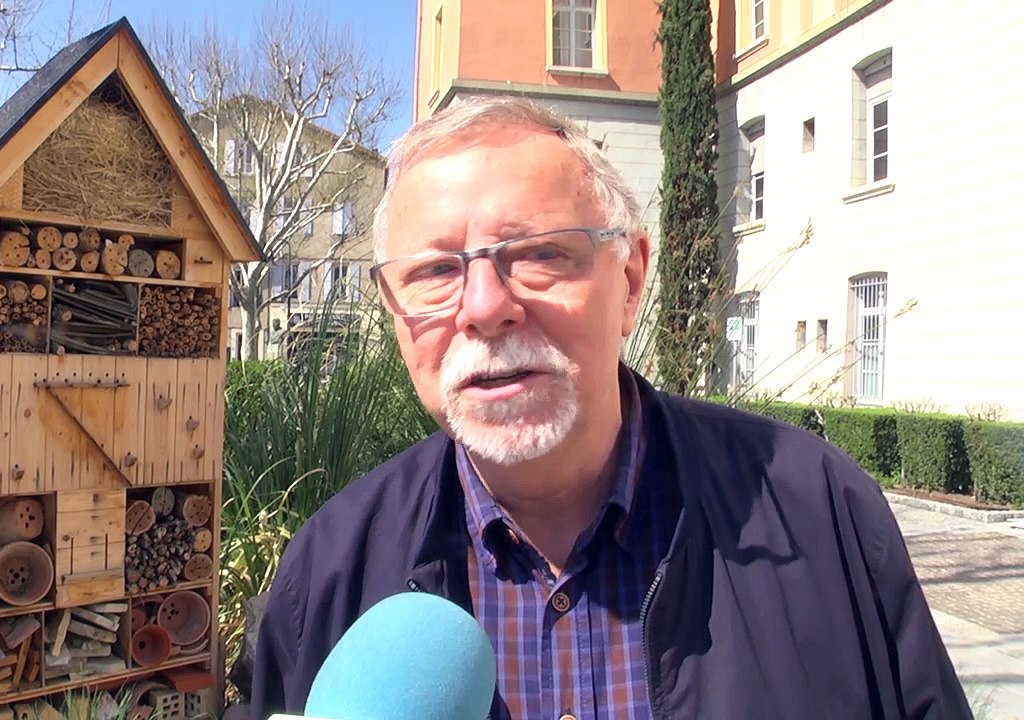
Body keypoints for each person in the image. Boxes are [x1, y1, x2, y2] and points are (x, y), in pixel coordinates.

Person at [247, 96, 970, 719]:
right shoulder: (330, 573)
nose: (485, 307)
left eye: (537, 254)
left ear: (629, 280)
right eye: (436, 271)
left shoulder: (820, 511)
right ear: (393, 311)